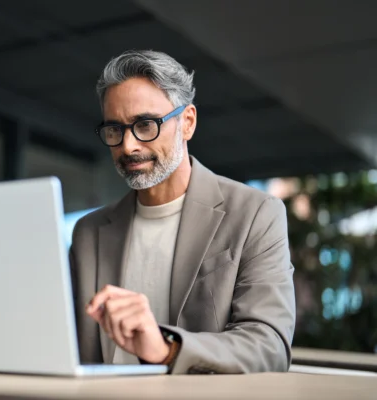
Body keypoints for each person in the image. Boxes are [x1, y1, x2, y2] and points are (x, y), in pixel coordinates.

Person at [69, 50, 296, 374]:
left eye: (145, 124)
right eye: (114, 129)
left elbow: (269, 345)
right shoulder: (88, 232)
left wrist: (168, 349)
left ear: (187, 122)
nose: (128, 146)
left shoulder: (256, 214)